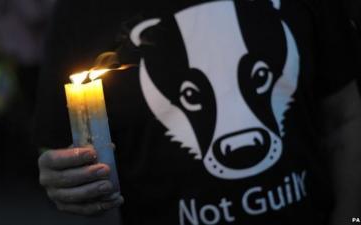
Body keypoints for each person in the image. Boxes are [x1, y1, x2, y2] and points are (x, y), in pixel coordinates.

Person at [34, 0, 361, 224]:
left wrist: (352, 219)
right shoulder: (81, 10)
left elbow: (345, 116)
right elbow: (58, 147)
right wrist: (66, 180)